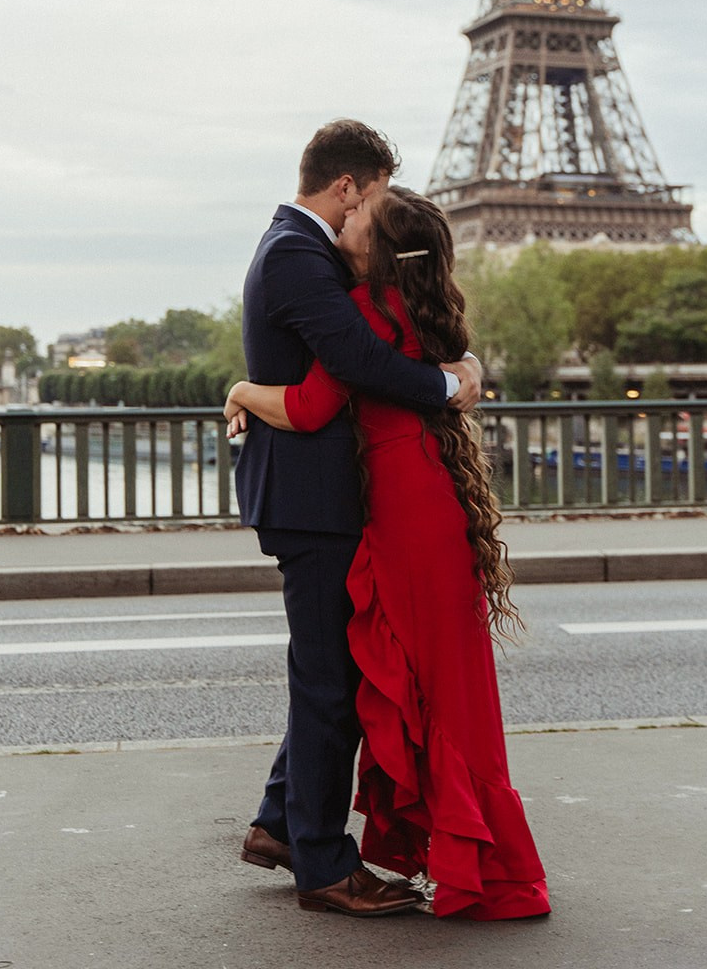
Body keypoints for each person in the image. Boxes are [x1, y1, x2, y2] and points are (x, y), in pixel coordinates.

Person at [226, 184, 550, 921]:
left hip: (399, 513)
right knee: (406, 677)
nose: (353, 213)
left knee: (372, 675)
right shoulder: (397, 300)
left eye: (364, 213)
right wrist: (459, 371)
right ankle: (295, 828)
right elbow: (436, 360)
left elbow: (310, 405)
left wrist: (242, 387)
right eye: (358, 199)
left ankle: (317, 843)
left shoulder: (366, 308)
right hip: (421, 498)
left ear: (376, 245)